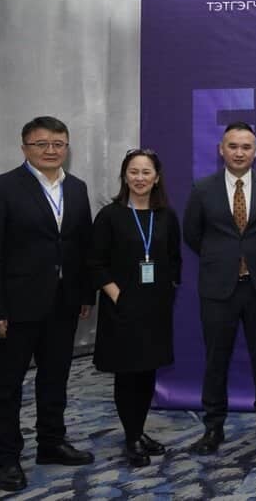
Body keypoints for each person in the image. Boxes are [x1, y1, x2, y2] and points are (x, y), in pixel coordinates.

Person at [0, 116, 96, 492]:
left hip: (64, 304)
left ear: (67, 148)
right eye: (42, 144)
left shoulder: (77, 188)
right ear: (24, 148)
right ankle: (6, 457)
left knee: (55, 378)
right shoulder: (0, 189)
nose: (51, 150)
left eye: (59, 143)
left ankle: (51, 443)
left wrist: (85, 295)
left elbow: (82, 246)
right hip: (14, 307)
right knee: (7, 385)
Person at [183, 122, 256, 454]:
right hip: (218, 289)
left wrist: (254, 258)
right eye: (233, 146)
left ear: (255, 151)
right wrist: (223, 258)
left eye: (246, 147)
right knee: (217, 358)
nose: (239, 152)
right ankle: (214, 425)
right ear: (221, 149)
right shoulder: (203, 188)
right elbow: (193, 234)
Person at [89, 148, 181, 467]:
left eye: (146, 173)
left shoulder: (166, 216)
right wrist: (119, 297)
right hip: (122, 311)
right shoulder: (110, 216)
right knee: (127, 376)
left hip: (155, 311)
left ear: (156, 179)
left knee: (146, 373)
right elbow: (96, 263)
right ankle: (131, 438)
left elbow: (174, 259)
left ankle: (138, 431)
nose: (139, 178)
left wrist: (168, 290)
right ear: (124, 177)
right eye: (133, 172)